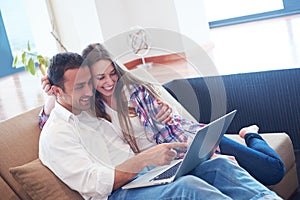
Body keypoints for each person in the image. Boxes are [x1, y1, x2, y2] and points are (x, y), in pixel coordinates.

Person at [39, 51, 282, 200]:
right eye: (80, 87)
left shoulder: (91, 111)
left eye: (88, 83)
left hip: (146, 174)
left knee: (218, 165)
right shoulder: (58, 133)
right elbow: (96, 183)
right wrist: (145, 159)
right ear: (57, 91)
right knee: (188, 187)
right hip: (117, 193)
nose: (89, 91)